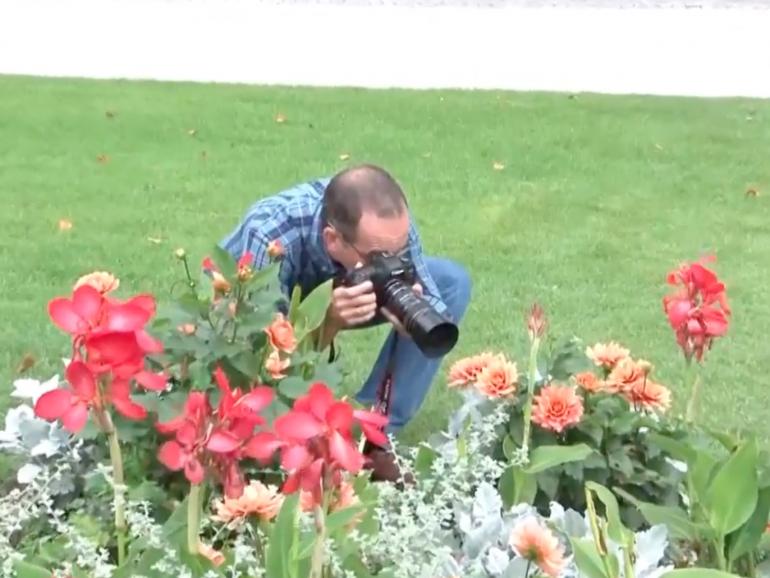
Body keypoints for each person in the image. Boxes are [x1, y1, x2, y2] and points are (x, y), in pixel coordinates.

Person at [220, 164, 472, 481]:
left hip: (342, 288)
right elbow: (266, 355)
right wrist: (330, 319)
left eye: (399, 251)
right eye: (380, 257)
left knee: (452, 282)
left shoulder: (387, 227)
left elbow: (435, 303)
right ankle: (294, 442)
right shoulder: (269, 232)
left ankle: (373, 434)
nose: (392, 262)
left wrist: (415, 314)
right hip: (244, 304)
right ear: (332, 239)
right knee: (264, 372)